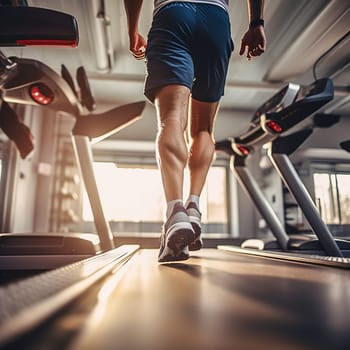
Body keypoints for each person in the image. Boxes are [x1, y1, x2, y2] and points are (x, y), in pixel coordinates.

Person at [124, 0, 266, 262]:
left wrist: (132, 28)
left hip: (173, 14)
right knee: (203, 129)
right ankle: (194, 207)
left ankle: (175, 211)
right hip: (216, 20)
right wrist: (256, 23)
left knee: (172, 119)